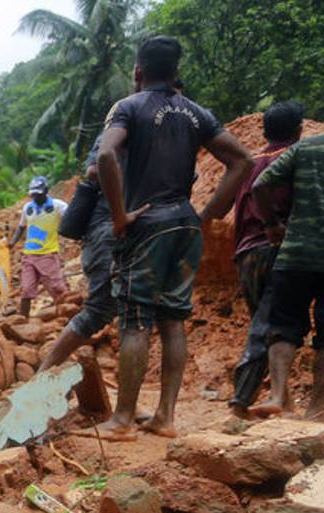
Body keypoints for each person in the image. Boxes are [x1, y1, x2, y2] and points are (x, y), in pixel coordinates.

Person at [94, 36, 252, 440]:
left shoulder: (128, 107)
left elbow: (107, 156)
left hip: (146, 225)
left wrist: (119, 214)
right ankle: (165, 416)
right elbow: (242, 161)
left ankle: (122, 420)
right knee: (173, 320)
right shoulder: (198, 113)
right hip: (184, 223)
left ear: (138, 72)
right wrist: (208, 214)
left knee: (134, 320)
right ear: (177, 71)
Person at [228, 102, 303, 417]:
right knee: (271, 327)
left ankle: (280, 401)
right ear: (299, 130)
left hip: (246, 254)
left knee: (265, 321)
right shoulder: (293, 159)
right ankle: (241, 399)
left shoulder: (250, 162)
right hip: (276, 248)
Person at [249, 128, 324, 419]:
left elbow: (260, 184)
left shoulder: (304, 148)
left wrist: (272, 223)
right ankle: (318, 409)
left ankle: (278, 395)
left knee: (283, 325)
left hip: (295, 254)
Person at [37, 137, 122, 372]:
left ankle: (41, 376)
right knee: (124, 312)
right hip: (121, 229)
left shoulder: (119, 125)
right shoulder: (161, 127)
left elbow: (94, 169)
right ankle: (41, 378)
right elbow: (96, 168)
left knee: (105, 311)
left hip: (109, 230)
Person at [10, 177, 69, 318]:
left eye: (38, 194)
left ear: (46, 191)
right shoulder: (28, 208)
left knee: (56, 289)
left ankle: (67, 316)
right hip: (29, 255)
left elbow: (72, 216)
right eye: (33, 194)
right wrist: (12, 242)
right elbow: (21, 227)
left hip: (48, 254)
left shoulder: (57, 206)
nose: (35, 197)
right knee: (26, 289)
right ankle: (23, 322)